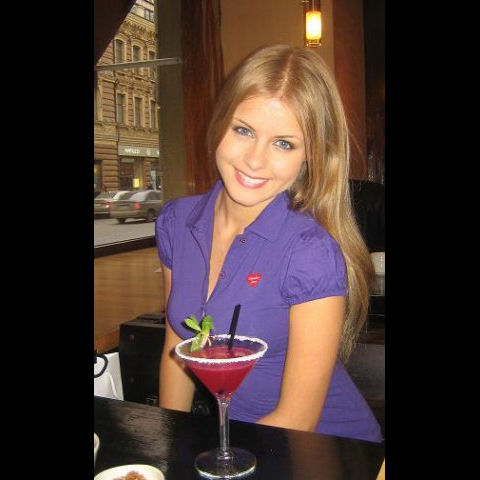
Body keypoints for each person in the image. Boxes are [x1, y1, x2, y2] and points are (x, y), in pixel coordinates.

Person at [155, 44, 382, 443]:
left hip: (331, 449)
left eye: (284, 143)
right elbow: (179, 346)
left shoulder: (310, 252)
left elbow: (299, 419)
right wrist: (167, 446)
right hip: (239, 444)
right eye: (243, 130)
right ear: (220, 123)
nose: (255, 160)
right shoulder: (176, 222)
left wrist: (222, 460)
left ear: (309, 156)